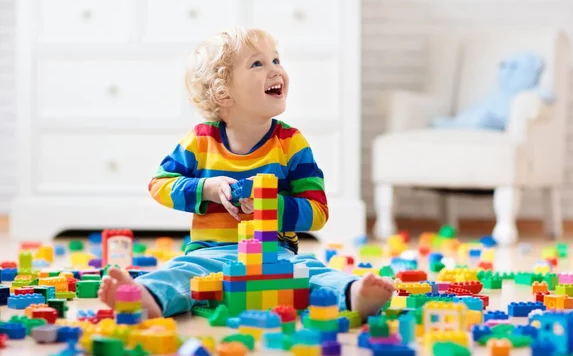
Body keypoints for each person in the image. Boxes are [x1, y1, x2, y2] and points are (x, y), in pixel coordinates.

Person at [98, 27, 395, 319]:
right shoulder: (201, 140)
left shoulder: (291, 143)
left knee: (309, 269)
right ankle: (144, 298)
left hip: (273, 254)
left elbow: (317, 211)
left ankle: (353, 294)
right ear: (224, 93)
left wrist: (270, 206)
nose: (275, 70)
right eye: (258, 63)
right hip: (209, 253)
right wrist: (208, 189)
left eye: (276, 60)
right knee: (180, 272)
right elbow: (160, 185)